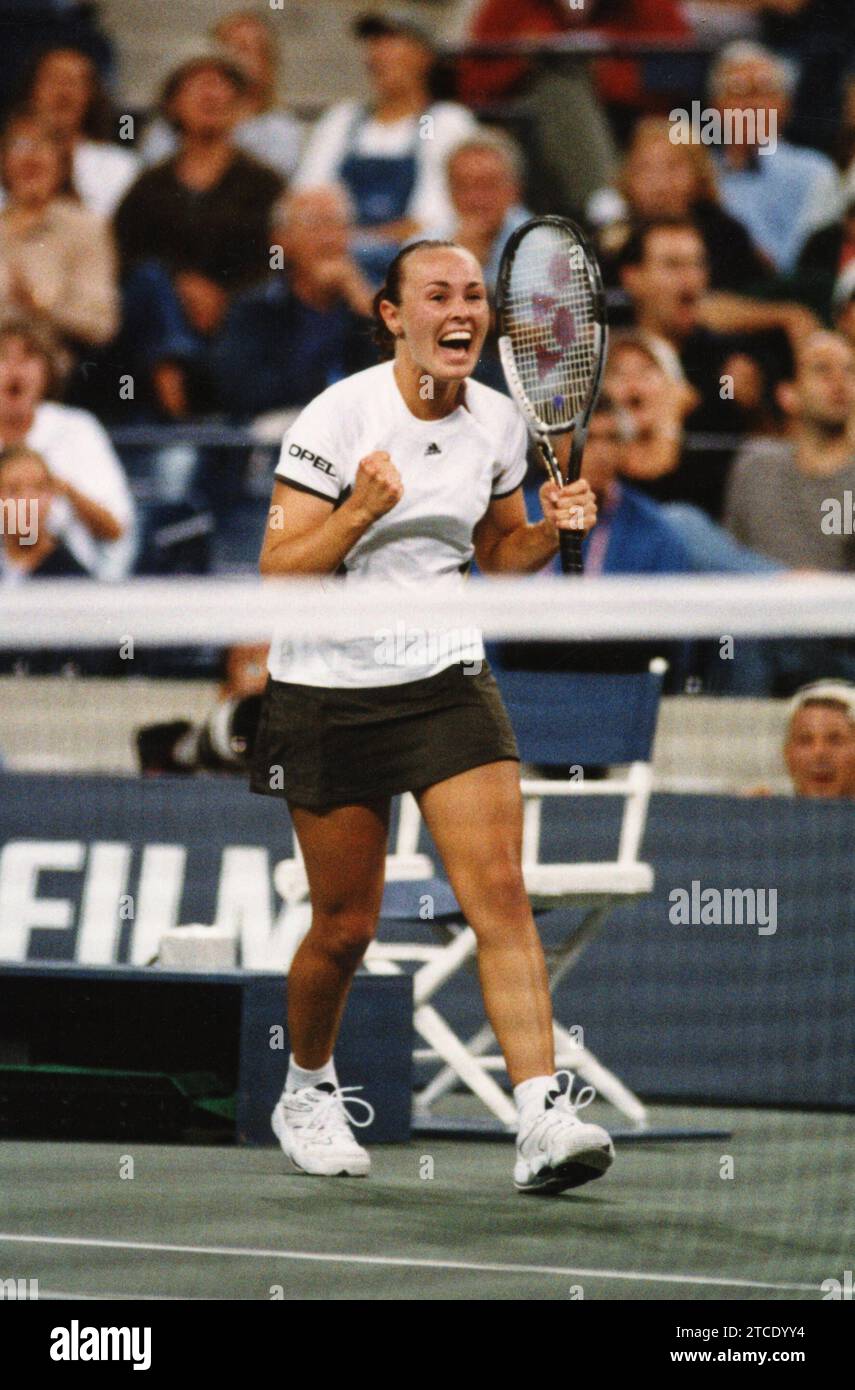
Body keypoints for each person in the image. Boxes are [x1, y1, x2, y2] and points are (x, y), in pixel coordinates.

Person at [251, 238, 612, 1194]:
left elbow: (497, 556)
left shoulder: (497, 422)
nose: (461, 313)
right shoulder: (338, 416)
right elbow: (278, 572)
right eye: (436, 296)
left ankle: (540, 1113)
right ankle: (307, 1089)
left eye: (472, 299)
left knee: (498, 891)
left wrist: (547, 528)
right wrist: (356, 513)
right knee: (344, 925)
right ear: (393, 315)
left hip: (446, 677)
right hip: (326, 689)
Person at [114, 47, 284, 418]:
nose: (211, 95)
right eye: (197, 85)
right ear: (172, 105)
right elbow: (123, 255)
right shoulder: (149, 186)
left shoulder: (265, 184)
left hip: (238, 319)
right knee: (149, 279)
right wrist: (182, 285)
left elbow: (278, 257)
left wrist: (224, 295)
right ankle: (173, 379)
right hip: (162, 322)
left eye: (223, 86)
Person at [294, 12, 476, 272]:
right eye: (374, 43)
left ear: (424, 56)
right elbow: (304, 202)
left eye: (391, 41)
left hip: (410, 272)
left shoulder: (448, 122)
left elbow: (431, 224)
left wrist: (350, 242)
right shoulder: (340, 120)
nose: (378, 54)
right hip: (332, 271)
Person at [208, 186, 375, 420]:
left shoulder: (373, 300)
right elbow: (240, 391)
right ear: (282, 239)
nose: (327, 237)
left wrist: (367, 310)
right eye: (314, 224)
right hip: (282, 430)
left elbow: (400, 384)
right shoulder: (256, 308)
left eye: (336, 223)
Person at [0, 314, 134, 579]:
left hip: (73, 584)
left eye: (28, 357)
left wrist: (62, 490)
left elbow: (116, 529)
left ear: (48, 370)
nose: (15, 369)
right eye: (2, 356)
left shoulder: (77, 429)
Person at [590, 117, 771, 292]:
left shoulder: (727, 236)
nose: (659, 184)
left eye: (673, 167)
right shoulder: (611, 243)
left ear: (699, 174)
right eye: (644, 168)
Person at [709, 42, 843, 273]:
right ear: (716, 106)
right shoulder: (703, 171)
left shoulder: (814, 171)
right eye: (738, 92)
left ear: (785, 105)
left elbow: (803, 263)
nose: (751, 105)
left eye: (764, 92)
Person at [0, 112, 118, 351]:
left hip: (52, 362)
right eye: (19, 144)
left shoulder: (86, 227)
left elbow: (101, 324)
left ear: (62, 162)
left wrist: (40, 306)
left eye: (43, 145)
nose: (31, 155)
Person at [140, 12, 303, 181]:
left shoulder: (281, 128)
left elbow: (272, 188)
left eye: (258, 51)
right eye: (237, 48)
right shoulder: (169, 125)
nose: (246, 60)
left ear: (270, 65)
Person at [17, 45, 139, 218]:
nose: (63, 92)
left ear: (91, 96)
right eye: (53, 79)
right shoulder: (8, 162)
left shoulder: (122, 166)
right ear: (31, 90)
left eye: (75, 82)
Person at [433, 130, 533, 293]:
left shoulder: (542, 244)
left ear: (514, 190)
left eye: (487, 185)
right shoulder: (425, 243)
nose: (475, 199)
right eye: (463, 186)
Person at [0, 444, 91, 583]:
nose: (27, 501)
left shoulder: (71, 576)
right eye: (14, 490)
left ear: (52, 494)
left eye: (39, 488)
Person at [783, 681, 855, 798]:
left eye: (835, 741)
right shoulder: (763, 812)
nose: (819, 752)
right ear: (787, 754)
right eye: (805, 741)